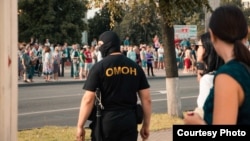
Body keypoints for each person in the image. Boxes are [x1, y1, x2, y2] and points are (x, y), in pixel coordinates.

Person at [76, 31, 152, 141]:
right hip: (129, 121)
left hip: (107, 122)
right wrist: (146, 125)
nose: (99, 48)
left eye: (100, 45)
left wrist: (80, 126)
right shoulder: (135, 67)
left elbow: (88, 99)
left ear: (107, 44)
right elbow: (146, 99)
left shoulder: (99, 67)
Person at [184, 5, 250, 125]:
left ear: (212, 35)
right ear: (246, 34)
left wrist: (196, 123)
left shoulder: (228, 75)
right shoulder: (243, 68)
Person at [193, 32, 224, 118]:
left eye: (197, 46)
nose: (196, 50)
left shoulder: (208, 79)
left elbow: (205, 113)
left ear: (206, 49)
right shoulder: (226, 74)